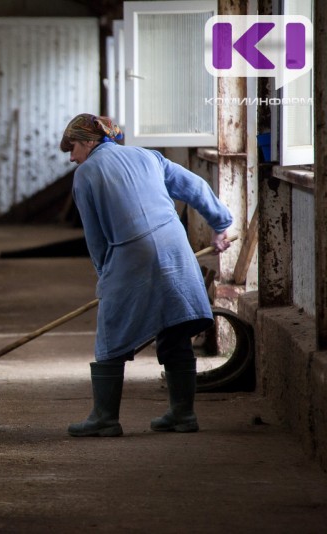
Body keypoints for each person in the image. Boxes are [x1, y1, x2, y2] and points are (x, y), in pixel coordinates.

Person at [59, 113, 233, 437]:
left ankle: (104, 419)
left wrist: (104, 276)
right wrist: (220, 224)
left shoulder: (85, 175)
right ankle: (183, 415)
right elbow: (194, 186)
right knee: (176, 325)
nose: (71, 157)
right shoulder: (147, 156)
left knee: (110, 333)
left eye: (72, 148)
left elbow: (95, 237)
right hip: (174, 245)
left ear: (88, 141)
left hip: (131, 252)